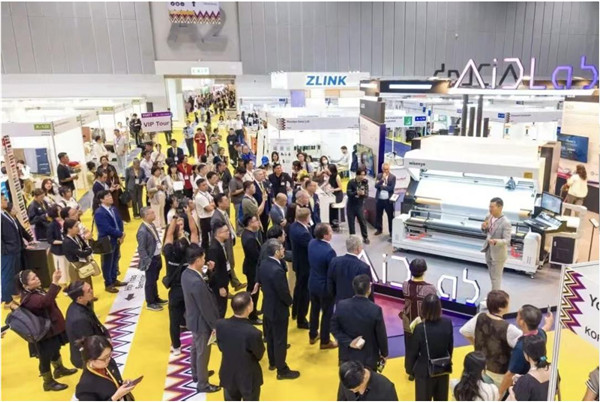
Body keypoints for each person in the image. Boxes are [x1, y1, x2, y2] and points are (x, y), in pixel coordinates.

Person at [18, 269, 78, 391]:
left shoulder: (36, 290)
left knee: (55, 348)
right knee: (44, 357)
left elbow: (48, 299)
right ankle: (48, 382)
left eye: (36, 276)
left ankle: (59, 369)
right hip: (42, 334)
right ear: (25, 285)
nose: (37, 279)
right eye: (33, 279)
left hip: (50, 329)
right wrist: (54, 282)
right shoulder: (28, 298)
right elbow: (45, 302)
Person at [460, 290, 522, 389]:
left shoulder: (479, 317)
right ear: (501, 308)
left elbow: (464, 331)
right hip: (499, 374)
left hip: (481, 367)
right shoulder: (509, 328)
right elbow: (524, 345)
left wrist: (476, 345)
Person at [257, 239, 300, 380]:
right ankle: (282, 370)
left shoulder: (264, 264)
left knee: (270, 337)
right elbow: (283, 292)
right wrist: (290, 302)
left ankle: (273, 362)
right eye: (282, 249)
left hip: (267, 307)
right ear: (276, 252)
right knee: (280, 339)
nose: (284, 251)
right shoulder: (277, 271)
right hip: (278, 309)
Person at [181, 245, 221, 393]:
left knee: (195, 348)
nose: (205, 261)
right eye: (203, 258)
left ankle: (197, 373)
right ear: (197, 260)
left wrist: (208, 272)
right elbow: (206, 307)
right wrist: (215, 325)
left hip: (192, 318)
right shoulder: (196, 283)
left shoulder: (186, 274)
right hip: (201, 322)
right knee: (203, 352)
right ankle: (203, 384)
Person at [163, 206, 199, 355]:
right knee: (195, 315)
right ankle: (197, 342)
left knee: (174, 320)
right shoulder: (192, 252)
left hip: (175, 290)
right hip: (190, 289)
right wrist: (189, 214)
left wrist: (173, 218)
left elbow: (169, 234)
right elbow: (195, 232)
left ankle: (176, 346)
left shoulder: (168, 252)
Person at [331, 275, 388, 370]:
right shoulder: (375, 310)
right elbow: (381, 335)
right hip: (368, 359)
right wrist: (384, 353)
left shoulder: (341, 305)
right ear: (369, 290)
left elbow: (333, 327)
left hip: (347, 357)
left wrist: (349, 342)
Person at [215, 292, 265, 401]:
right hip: (248, 378)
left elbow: (221, 346)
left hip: (228, 374)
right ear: (248, 308)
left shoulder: (220, 325)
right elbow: (259, 354)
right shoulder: (253, 333)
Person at [406, 294, 454, 401]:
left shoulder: (420, 328)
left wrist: (410, 370)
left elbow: (412, 352)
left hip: (424, 372)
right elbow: (450, 347)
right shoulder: (448, 323)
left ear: (423, 308)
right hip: (442, 369)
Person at [499, 305, 554, 397]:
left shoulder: (521, 347)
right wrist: (549, 323)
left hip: (526, 384)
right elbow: (544, 330)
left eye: (518, 315)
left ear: (522, 322)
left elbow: (509, 375)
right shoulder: (541, 334)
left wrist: (499, 393)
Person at [401, 258, 437, 380]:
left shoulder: (405, 285)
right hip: (423, 322)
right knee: (423, 346)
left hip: (408, 320)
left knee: (409, 346)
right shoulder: (430, 288)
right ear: (424, 271)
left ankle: (410, 370)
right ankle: (422, 370)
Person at [75, 335, 137, 401]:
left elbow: (115, 380)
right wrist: (115, 397)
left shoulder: (110, 362)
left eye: (110, 354)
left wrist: (123, 384)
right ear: (91, 360)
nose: (108, 359)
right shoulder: (85, 386)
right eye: (104, 358)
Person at [64, 281, 109, 368]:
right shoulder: (79, 320)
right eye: (88, 291)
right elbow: (89, 344)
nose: (92, 291)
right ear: (80, 298)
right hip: (89, 359)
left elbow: (96, 322)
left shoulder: (84, 304)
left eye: (90, 288)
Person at [307, 223, 337, 349]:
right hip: (324, 287)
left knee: (314, 309)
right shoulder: (329, 252)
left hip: (312, 282)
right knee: (327, 314)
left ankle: (313, 334)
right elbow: (332, 271)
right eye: (330, 232)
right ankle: (325, 341)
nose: (332, 233)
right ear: (325, 235)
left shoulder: (311, 243)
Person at [2, 195, 33, 309]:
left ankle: (14, 292)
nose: (6, 201)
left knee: (14, 273)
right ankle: (7, 300)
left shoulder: (5, 214)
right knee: (7, 275)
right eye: (4, 199)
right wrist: (5, 250)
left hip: (15, 249)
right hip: (8, 252)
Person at [94, 190, 128, 293]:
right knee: (107, 262)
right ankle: (108, 284)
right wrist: (120, 234)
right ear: (101, 200)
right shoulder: (99, 212)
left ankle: (114, 279)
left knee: (115, 260)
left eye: (110, 195)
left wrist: (121, 233)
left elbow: (119, 222)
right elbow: (106, 228)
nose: (110, 197)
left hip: (116, 238)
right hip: (107, 240)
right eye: (107, 196)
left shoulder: (113, 208)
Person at [211, 193, 245, 292]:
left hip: (228, 241)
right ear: (219, 203)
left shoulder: (224, 213)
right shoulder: (216, 218)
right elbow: (217, 235)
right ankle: (225, 287)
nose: (228, 202)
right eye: (225, 200)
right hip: (224, 244)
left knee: (230, 263)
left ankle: (235, 283)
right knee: (225, 264)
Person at [137, 207, 168, 311]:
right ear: (146, 216)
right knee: (150, 281)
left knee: (154, 279)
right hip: (151, 259)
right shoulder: (142, 231)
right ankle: (150, 302)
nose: (154, 214)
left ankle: (155, 297)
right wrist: (147, 261)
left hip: (157, 256)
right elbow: (141, 248)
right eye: (152, 213)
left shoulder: (152, 225)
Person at [327, 236, 372, 304]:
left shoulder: (334, 261)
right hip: (356, 306)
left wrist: (336, 298)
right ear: (358, 248)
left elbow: (330, 283)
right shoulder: (364, 267)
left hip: (339, 302)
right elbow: (367, 289)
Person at [289, 207, 313, 329]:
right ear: (306, 218)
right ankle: (301, 319)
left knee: (298, 288)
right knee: (304, 292)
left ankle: (295, 311)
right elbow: (312, 246)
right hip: (305, 266)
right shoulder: (303, 233)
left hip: (298, 263)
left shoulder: (293, 226)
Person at [481, 197, 512, 290]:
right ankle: (494, 294)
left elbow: (507, 240)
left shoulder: (506, 222)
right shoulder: (488, 216)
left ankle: (495, 295)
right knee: (492, 276)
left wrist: (496, 242)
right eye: (489, 207)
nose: (490, 209)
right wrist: (484, 228)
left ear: (500, 207)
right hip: (488, 250)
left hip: (498, 254)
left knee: (496, 278)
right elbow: (487, 231)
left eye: (492, 207)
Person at [507, 335, 551, 401]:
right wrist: (521, 379)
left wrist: (510, 389)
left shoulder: (526, 381)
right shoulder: (554, 370)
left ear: (526, 354)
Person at [62, 218, 97, 294]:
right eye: (76, 226)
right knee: (79, 286)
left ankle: (90, 295)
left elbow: (85, 246)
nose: (78, 228)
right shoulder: (67, 242)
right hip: (76, 265)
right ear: (69, 229)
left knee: (88, 281)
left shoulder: (77, 236)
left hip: (84, 262)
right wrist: (88, 250)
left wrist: (87, 250)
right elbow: (80, 253)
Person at [241, 214, 263, 325]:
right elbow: (255, 256)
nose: (258, 223)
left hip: (251, 267)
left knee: (253, 290)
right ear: (250, 223)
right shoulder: (250, 238)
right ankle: (252, 315)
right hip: (252, 269)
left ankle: (252, 310)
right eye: (256, 221)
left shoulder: (247, 234)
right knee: (253, 291)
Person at [208, 222, 234, 318]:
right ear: (218, 234)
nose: (228, 233)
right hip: (219, 285)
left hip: (224, 279)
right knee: (220, 308)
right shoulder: (214, 248)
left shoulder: (221, 244)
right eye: (226, 231)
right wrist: (220, 287)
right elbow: (214, 270)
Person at [47, 205, 70, 284]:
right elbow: (50, 240)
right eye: (59, 210)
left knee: (69, 269)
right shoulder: (52, 225)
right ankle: (63, 285)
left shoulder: (65, 221)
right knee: (62, 269)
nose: (61, 210)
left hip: (67, 249)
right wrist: (63, 242)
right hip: (59, 250)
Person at [346, 168, 370, 244]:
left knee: (362, 222)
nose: (363, 176)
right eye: (361, 175)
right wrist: (356, 193)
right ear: (357, 174)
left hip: (359, 205)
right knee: (351, 223)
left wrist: (363, 194)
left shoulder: (365, 183)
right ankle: (352, 238)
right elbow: (349, 194)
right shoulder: (351, 182)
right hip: (351, 206)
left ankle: (365, 237)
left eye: (364, 175)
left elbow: (367, 195)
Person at [374, 163, 396, 236]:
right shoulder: (379, 176)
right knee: (378, 215)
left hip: (388, 200)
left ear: (389, 169)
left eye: (387, 169)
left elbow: (391, 188)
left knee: (390, 216)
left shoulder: (393, 177)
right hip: (379, 199)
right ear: (382, 169)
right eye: (384, 169)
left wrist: (382, 187)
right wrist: (382, 180)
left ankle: (391, 231)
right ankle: (379, 229)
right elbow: (376, 186)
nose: (386, 171)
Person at [195, 178, 215, 252]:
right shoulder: (199, 197)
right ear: (199, 187)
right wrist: (212, 205)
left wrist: (211, 204)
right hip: (205, 219)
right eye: (203, 185)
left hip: (211, 216)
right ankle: (206, 253)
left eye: (206, 184)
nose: (206, 186)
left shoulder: (206, 193)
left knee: (212, 236)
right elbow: (209, 208)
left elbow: (213, 201)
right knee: (206, 238)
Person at [253, 169, 271, 238]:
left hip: (266, 210)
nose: (262, 175)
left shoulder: (265, 183)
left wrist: (269, 210)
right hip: (258, 210)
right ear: (255, 176)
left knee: (266, 228)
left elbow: (268, 196)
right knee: (260, 230)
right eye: (260, 174)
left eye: (262, 174)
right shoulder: (253, 185)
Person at [229, 167, 246, 232]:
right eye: (242, 175)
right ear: (238, 173)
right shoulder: (233, 181)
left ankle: (242, 229)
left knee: (242, 216)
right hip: (237, 201)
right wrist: (243, 189)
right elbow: (233, 192)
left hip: (242, 200)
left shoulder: (240, 179)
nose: (243, 176)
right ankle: (239, 231)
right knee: (238, 216)